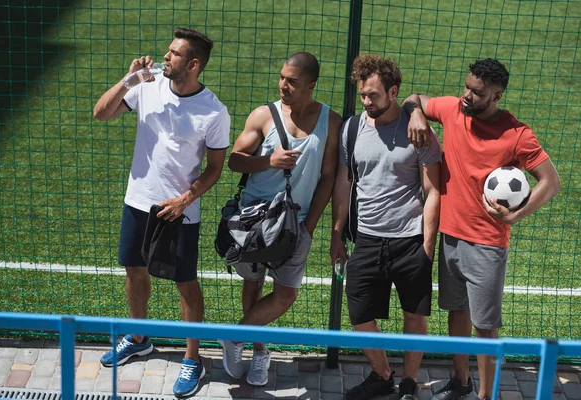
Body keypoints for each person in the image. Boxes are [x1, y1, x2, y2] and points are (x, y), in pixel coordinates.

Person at [402, 58, 561, 400]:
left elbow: (551, 181)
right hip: (450, 236)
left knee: (485, 328)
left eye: (478, 92)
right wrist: (416, 113)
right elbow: (412, 98)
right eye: (467, 87)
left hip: (487, 244)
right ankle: (461, 382)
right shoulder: (453, 110)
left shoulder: (517, 135)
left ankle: (485, 396)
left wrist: (516, 217)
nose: (467, 96)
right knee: (456, 313)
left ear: (497, 94)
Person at [93, 27, 230, 398]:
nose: (165, 57)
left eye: (174, 53)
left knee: (185, 282)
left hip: (178, 210)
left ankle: (192, 359)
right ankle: (138, 337)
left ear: (194, 64)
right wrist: (128, 79)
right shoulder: (146, 86)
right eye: (168, 51)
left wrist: (187, 198)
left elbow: (215, 168)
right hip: (138, 200)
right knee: (134, 270)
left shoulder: (214, 111)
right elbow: (100, 113)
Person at [219, 52, 343, 386]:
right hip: (256, 222)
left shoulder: (331, 122)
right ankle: (258, 351)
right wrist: (268, 161)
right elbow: (234, 161)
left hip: (296, 223)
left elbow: (329, 176)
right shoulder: (264, 115)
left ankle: (234, 336)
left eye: (292, 81)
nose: (283, 86)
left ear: (312, 85)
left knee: (286, 294)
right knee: (254, 283)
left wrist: (310, 226)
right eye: (281, 78)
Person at [330, 55, 441, 400]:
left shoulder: (418, 130)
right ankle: (382, 375)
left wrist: (427, 245)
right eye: (362, 94)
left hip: (410, 239)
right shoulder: (352, 128)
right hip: (367, 238)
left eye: (373, 95)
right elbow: (344, 183)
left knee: (414, 315)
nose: (366, 102)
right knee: (359, 313)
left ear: (393, 92)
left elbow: (433, 189)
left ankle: (409, 381)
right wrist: (337, 234)